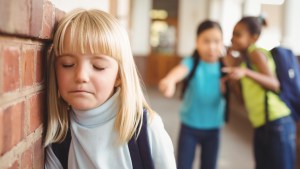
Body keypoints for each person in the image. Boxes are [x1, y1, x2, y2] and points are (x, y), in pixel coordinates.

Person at [43, 8, 176, 169]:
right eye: (67, 64)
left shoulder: (146, 130)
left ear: (119, 75)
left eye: (98, 66)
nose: (81, 76)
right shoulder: (59, 140)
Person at [223, 16, 296, 169]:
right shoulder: (242, 61)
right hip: (260, 124)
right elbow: (242, 100)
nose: (232, 38)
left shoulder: (255, 53)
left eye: (238, 34)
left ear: (253, 38)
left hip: (277, 122)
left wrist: (245, 72)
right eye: (232, 34)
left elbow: (274, 84)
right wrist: (233, 78)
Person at [159, 20, 226, 169]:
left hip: (214, 128)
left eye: (217, 41)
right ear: (197, 42)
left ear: (222, 43)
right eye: (206, 41)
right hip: (189, 126)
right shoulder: (191, 62)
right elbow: (179, 71)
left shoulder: (224, 67)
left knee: (209, 165)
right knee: (183, 164)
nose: (212, 46)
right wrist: (169, 81)